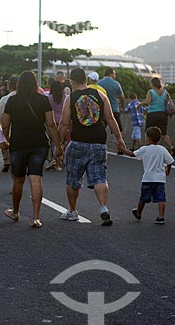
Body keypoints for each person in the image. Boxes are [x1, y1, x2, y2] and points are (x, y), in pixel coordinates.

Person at [57, 68, 126, 226]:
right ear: (86, 80)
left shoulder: (70, 97)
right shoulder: (101, 96)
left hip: (78, 142)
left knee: (73, 178)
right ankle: (103, 207)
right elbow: (110, 118)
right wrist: (119, 138)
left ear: (72, 82)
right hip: (99, 143)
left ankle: (73, 211)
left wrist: (58, 144)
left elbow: (64, 123)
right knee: (99, 177)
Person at [2, 70, 60, 228]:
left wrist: (5, 141)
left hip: (18, 143)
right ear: (35, 84)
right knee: (36, 178)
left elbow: (5, 124)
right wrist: (58, 145)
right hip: (39, 143)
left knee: (18, 180)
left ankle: (15, 211)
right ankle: (36, 217)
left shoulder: (12, 101)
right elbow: (50, 124)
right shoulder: (43, 100)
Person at [119, 127, 174, 224]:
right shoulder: (162, 149)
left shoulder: (144, 149)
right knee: (161, 198)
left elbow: (132, 154)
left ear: (148, 138)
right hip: (160, 179)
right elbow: (170, 161)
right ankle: (161, 216)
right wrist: (167, 170)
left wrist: (123, 149)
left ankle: (139, 213)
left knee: (143, 198)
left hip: (148, 178)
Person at [137, 77, 175, 157]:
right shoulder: (165, 91)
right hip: (162, 114)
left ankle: (147, 151)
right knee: (163, 134)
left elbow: (147, 101)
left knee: (148, 132)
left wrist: (140, 104)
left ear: (153, 84)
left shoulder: (151, 91)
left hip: (152, 114)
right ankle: (171, 147)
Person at [98, 67, 125, 155]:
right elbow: (122, 97)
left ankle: (100, 146)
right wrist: (122, 106)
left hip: (102, 110)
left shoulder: (99, 83)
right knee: (119, 129)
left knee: (101, 129)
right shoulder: (116, 84)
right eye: (114, 73)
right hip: (114, 109)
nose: (115, 75)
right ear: (110, 73)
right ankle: (120, 148)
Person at [0, 76, 18, 172]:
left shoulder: (4, 99)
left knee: (6, 140)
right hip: (20, 125)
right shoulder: (26, 98)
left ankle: (7, 159)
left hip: (7, 124)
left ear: (9, 86)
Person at [46, 80, 65, 171]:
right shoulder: (65, 98)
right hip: (63, 121)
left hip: (51, 121)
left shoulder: (49, 98)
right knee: (61, 141)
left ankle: (54, 159)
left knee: (53, 141)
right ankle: (60, 160)